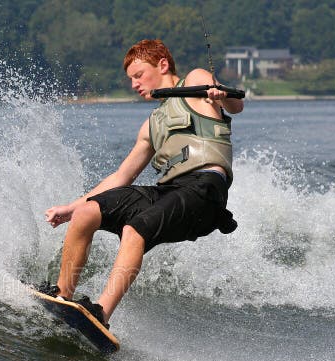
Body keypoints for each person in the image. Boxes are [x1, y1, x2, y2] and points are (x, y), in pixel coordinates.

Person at [41, 39, 244, 328]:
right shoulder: (152, 124)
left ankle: (101, 314)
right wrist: (71, 208)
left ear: (162, 65)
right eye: (131, 80)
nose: (134, 84)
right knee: (87, 213)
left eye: (139, 75)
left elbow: (237, 106)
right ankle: (62, 296)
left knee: (134, 229)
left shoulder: (197, 81)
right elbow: (121, 177)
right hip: (170, 191)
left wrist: (221, 94)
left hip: (205, 189)